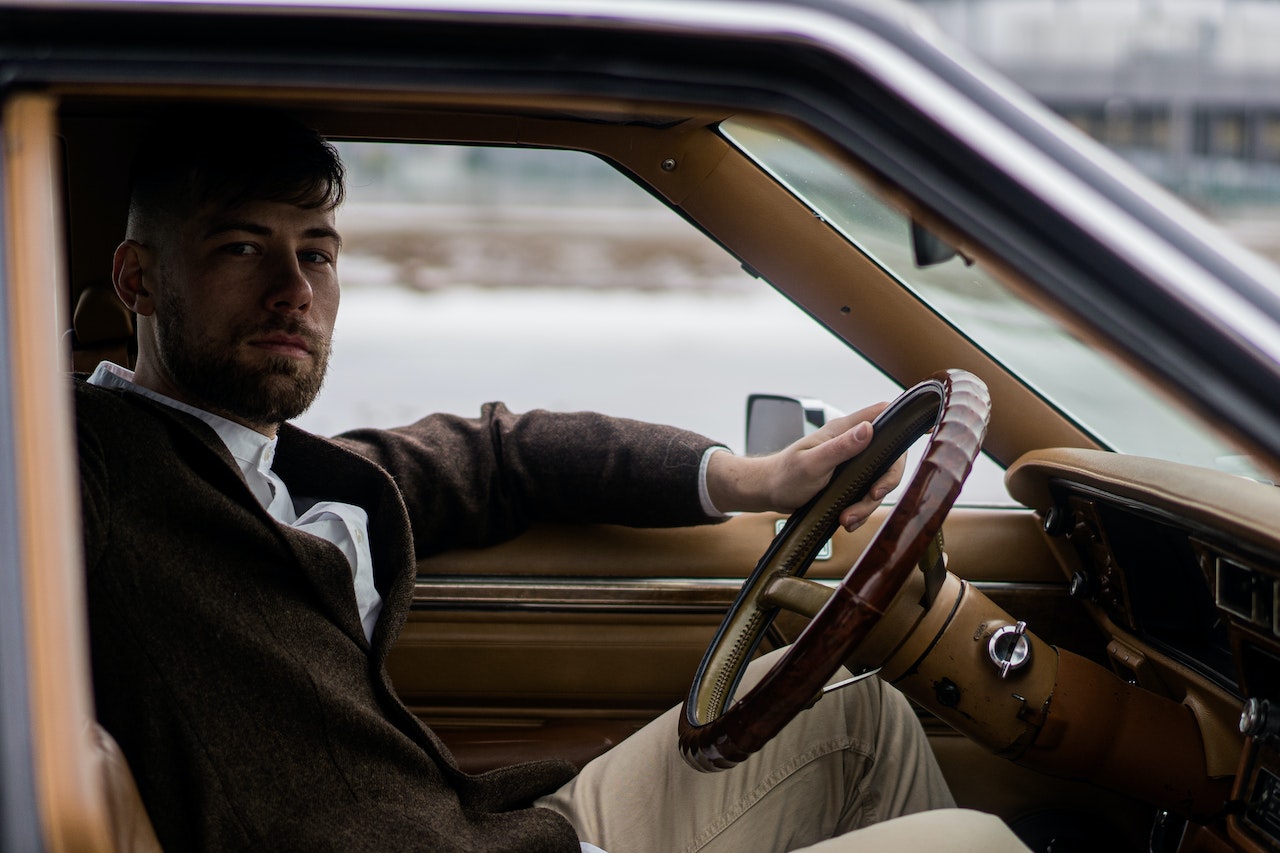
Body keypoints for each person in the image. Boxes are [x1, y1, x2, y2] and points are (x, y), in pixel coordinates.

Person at [76, 108, 1031, 852]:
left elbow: (504, 456)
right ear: (139, 281)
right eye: (243, 248)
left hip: (493, 829)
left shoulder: (292, 468)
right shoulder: (91, 461)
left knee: (858, 712)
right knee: (976, 840)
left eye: (317, 252)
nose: (294, 287)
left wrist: (754, 478)